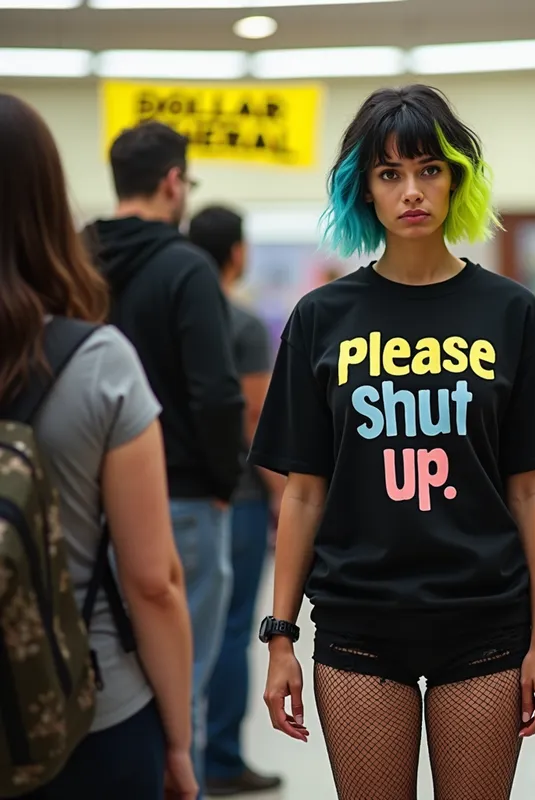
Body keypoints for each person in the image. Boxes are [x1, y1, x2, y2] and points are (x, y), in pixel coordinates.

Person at [249, 84, 535, 800]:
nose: (412, 191)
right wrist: (281, 636)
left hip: (487, 623)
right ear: (362, 190)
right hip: (359, 624)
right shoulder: (320, 319)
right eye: (390, 173)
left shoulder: (512, 314)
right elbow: (304, 491)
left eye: (430, 169)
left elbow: (530, 488)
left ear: (456, 180)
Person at [0, 94, 196, 799]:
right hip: (88, 711)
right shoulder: (98, 362)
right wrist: (177, 741)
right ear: (49, 202)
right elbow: (152, 580)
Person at [83, 122, 244, 798]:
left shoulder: (73, 259)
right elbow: (214, 391)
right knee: (189, 684)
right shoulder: (187, 268)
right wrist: (223, 481)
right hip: (177, 499)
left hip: (80, 505)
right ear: (173, 182)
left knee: (101, 688)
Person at [188, 205, 284, 795]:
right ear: (238, 253)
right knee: (228, 630)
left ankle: (188, 749)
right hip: (240, 496)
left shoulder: (172, 311)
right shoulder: (243, 323)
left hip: (180, 492)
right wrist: (284, 495)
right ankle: (222, 756)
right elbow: (256, 419)